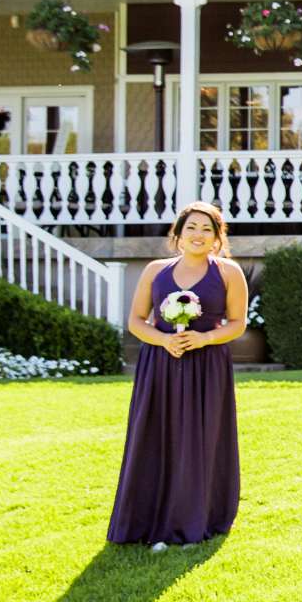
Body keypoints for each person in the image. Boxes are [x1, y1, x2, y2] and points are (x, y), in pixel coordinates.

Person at [110, 201, 247, 547]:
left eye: (207, 229)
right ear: (178, 234)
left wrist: (204, 338)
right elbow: (136, 321)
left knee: (200, 441)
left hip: (207, 368)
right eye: (192, 228)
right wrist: (164, 341)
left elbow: (237, 323)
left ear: (217, 238)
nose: (198, 235)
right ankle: (143, 523)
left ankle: (194, 522)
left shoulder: (230, 272)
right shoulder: (155, 270)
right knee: (156, 437)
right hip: (159, 367)